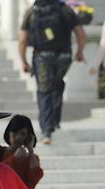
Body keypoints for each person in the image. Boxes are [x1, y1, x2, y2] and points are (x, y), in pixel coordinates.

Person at [19, 0, 86, 144]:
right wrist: (80, 51)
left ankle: (46, 130)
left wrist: (23, 60)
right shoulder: (65, 9)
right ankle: (55, 121)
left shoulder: (32, 12)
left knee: (44, 91)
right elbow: (80, 33)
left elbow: (22, 39)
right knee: (57, 84)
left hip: (42, 56)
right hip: (64, 56)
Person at [2, 114, 44, 189]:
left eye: (23, 134)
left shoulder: (31, 158)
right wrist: (14, 159)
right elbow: (1, 174)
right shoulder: (0, 152)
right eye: (15, 132)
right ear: (9, 133)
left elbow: (34, 177)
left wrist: (30, 150)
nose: (18, 137)